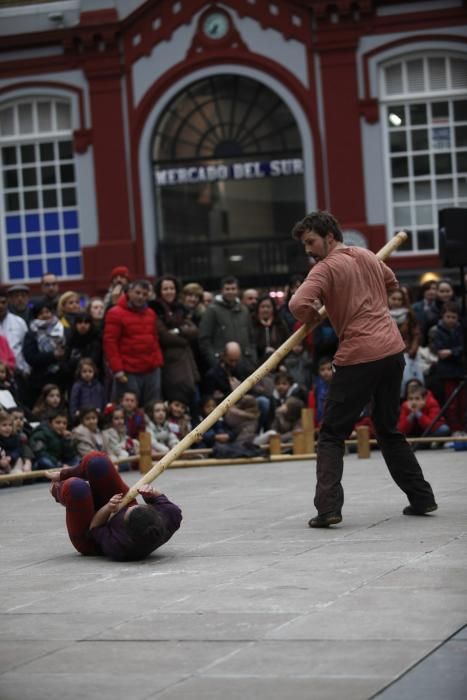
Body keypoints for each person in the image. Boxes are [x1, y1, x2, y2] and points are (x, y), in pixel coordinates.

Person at [289, 210, 437, 527]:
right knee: (387, 429)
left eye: (311, 242)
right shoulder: (367, 255)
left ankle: (328, 508)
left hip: (359, 354)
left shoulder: (325, 268)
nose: (308, 250)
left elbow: (297, 304)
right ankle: (421, 497)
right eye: (305, 244)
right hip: (393, 350)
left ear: (329, 236)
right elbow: (391, 281)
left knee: (331, 434)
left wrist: (313, 315)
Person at [45, 451, 182, 560]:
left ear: (126, 528)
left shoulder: (120, 546)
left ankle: (57, 489)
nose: (127, 508)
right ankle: (63, 474)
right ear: (152, 510)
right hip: (116, 503)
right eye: (133, 507)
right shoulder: (170, 515)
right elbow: (157, 497)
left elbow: (94, 527)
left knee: (76, 488)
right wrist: (150, 494)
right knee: (97, 460)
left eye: (125, 514)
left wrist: (108, 508)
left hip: (91, 538)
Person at [103, 279, 163, 405]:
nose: (141, 297)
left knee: (152, 408)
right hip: (128, 370)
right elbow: (110, 343)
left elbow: (155, 339)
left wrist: (158, 362)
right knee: (128, 409)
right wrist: (117, 370)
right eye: (138, 292)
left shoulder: (151, 313)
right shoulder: (115, 313)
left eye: (145, 294)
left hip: (151, 369)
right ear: (129, 292)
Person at [198, 276, 257, 373]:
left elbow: (251, 337)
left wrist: (252, 358)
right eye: (227, 289)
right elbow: (204, 339)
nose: (230, 292)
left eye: (233, 289)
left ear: (237, 291)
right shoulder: (212, 310)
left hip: (245, 363)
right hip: (222, 365)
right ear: (222, 290)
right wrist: (214, 362)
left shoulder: (244, 310)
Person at [101, 404, 139, 470]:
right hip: (111, 456)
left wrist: (131, 442)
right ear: (110, 420)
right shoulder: (109, 432)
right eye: (116, 418)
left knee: (135, 443)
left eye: (122, 418)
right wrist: (125, 445)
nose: (120, 421)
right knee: (123, 457)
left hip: (120, 454)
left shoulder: (122, 429)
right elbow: (116, 449)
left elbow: (125, 439)